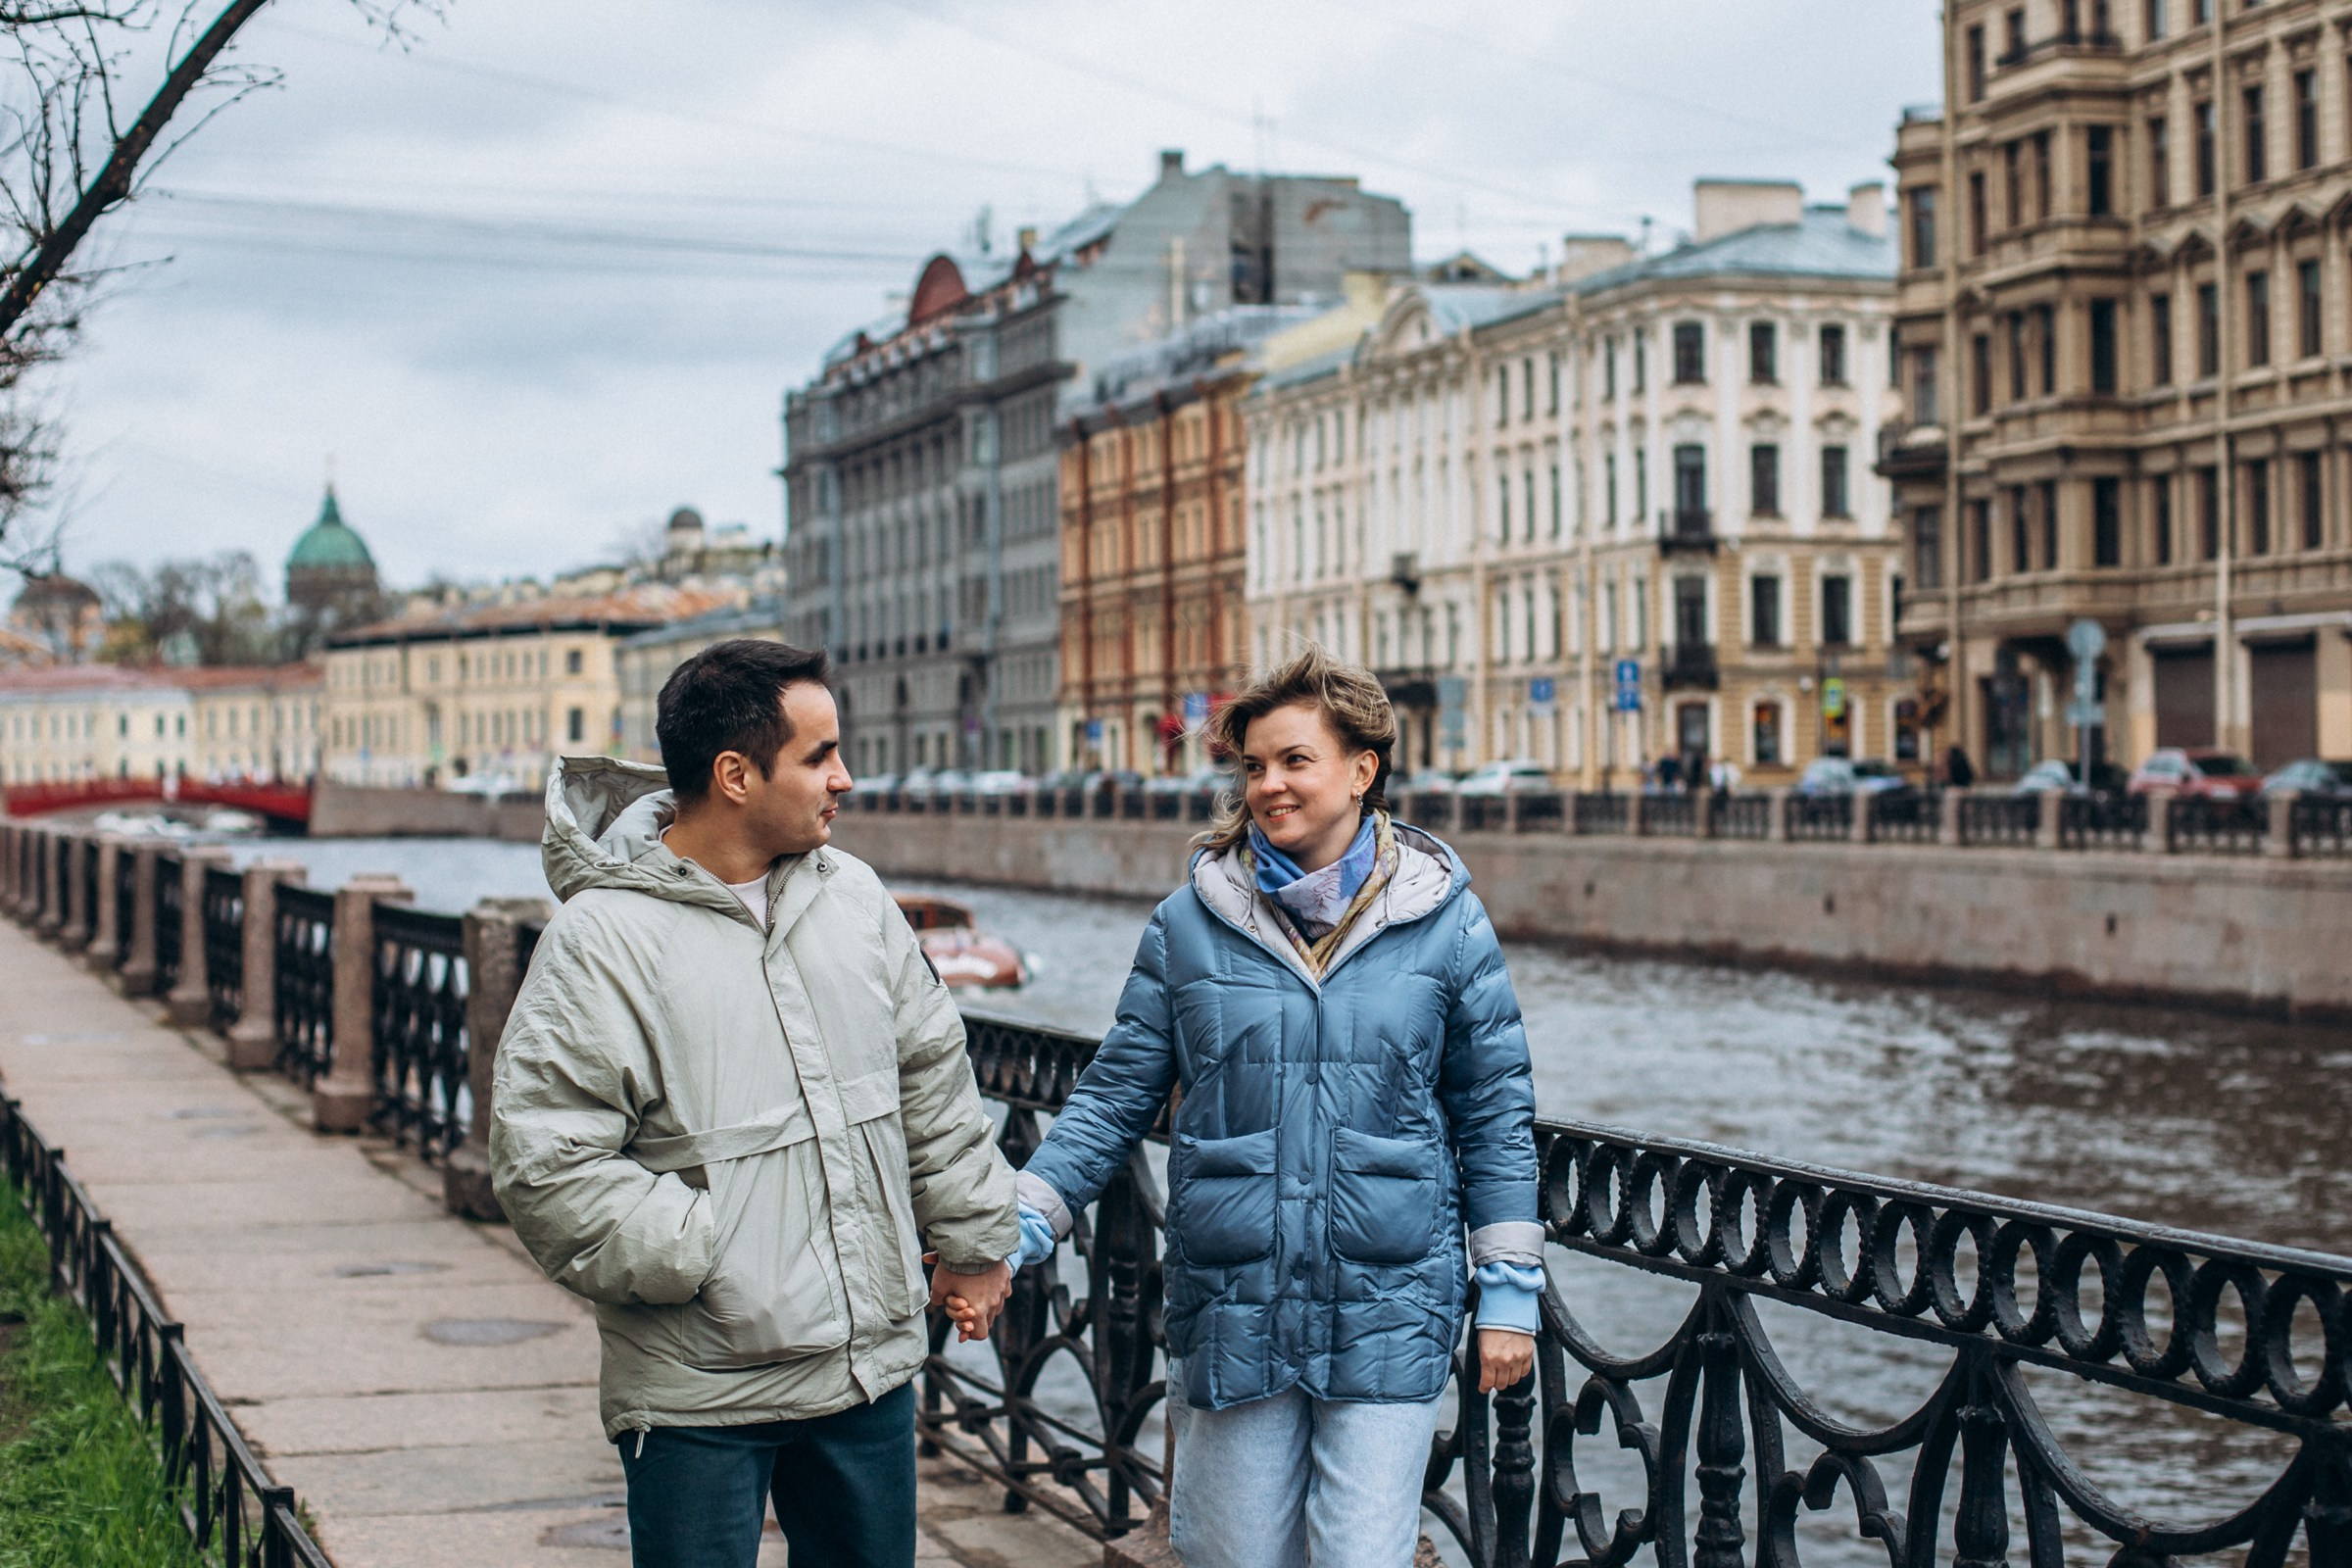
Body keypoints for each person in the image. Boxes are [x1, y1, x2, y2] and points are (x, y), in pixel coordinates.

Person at [1001, 648, 1543, 1568]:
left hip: (1390, 1299)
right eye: (1253, 766)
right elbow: (1113, 1098)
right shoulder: (1189, 924)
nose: (1269, 785)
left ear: (1362, 770)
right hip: (1235, 1302)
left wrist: (1511, 1295)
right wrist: (1016, 1225)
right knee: (1232, 1557)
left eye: (1296, 760)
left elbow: (1494, 1114)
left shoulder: (1447, 920)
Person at [489, 639, 1019, 1568]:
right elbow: (547, 1165)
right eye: (820, 756)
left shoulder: (852, 897)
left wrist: (976, 1244)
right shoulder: (600, 939)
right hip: (700, 1389)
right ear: (735, 774)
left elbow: (932, 1081)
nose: (844, 778)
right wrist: (710, 1256)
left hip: (866, 1373)